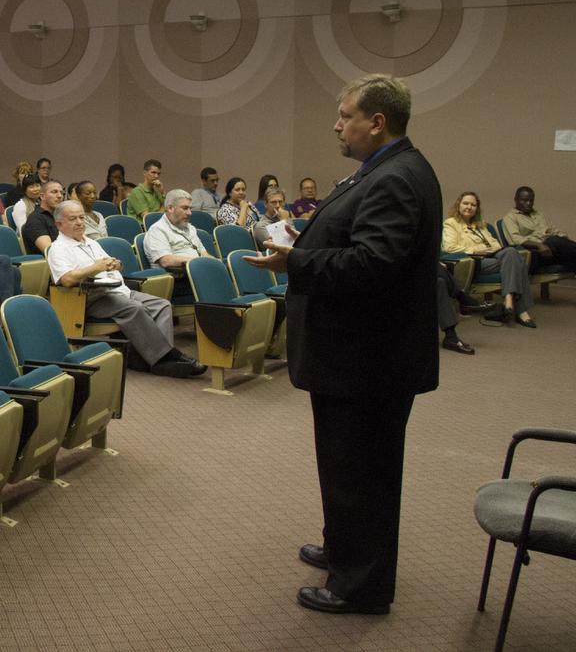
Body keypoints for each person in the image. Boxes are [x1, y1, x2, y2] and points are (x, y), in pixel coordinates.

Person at [244, 73, 440, 616]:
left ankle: (362, 586)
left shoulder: (396, 178)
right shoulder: (380, 170)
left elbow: (375, 263)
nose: (337, 124)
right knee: (344, 463)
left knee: (365, 472)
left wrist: (296, 260)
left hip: (368, 360)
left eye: (345, 115)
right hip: (355, 355)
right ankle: (343, 548)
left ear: (377, 122)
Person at [49, 200, 201, 377]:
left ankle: (156, 359)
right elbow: (66, 279)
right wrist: (96, 268)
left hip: (119, 291)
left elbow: (108, 262)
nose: (80, 222)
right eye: (73, 219)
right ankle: (167, 357)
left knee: (162, 305)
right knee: (135, 308)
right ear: (59, 224)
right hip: (91, 297)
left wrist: (116, 264)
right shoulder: (58, 248)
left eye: (81, 217)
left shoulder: (90, 242)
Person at [442, 191, 536, 327]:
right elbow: (450, 247)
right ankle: (521, 311)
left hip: (492, 256)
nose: (469, 207)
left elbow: (496, 244)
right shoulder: (451, 223)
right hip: (472, 262)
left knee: (511, 252)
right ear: (459, 205)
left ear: (477, 208)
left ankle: (509, 301)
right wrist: (477, 249)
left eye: (473, 205)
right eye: (466, 203)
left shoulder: (481, 225)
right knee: (517, 262)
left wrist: (490, 249)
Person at [501, 186, 576, 268]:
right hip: (536, 252)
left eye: (531, 200)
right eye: (524, 200)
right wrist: (539, 245)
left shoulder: (538, 214)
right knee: (554, 241)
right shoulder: (510, 217)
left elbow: (549, 229)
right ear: (516, 199)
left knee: (568, 256)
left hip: (552, 249)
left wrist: (562, 236)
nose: (528, 203)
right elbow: (516, 240)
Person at [22, 180, 64, 255]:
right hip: (52, 263)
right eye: (54, 192)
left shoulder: (62, 216)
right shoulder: (35, 219)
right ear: (42, 196)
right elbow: (49, 251)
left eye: (61, 192)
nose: (59, 196)